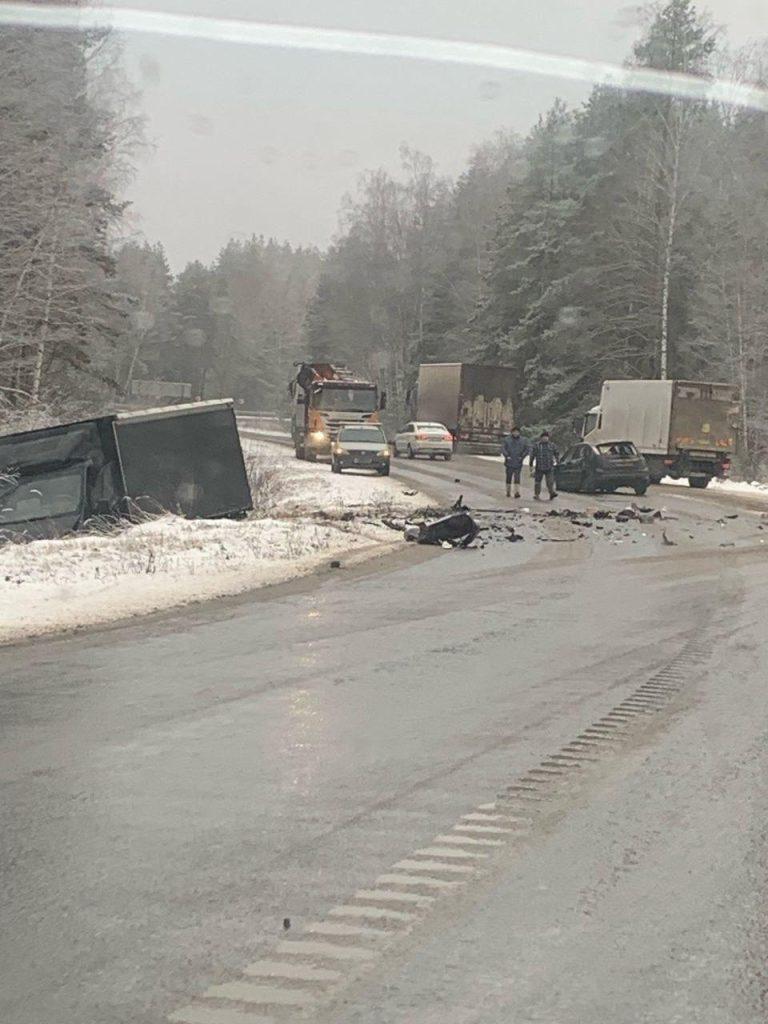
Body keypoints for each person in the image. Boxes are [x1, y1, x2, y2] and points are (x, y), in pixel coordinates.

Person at [530, 430, 559, 500]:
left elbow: (556, 453)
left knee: (550, 482)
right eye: (544, 437)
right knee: (537, 482)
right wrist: (531, 464)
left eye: (546, 437)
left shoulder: (552, 445)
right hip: (539, 467)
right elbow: (532, 455)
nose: (545, 438)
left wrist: (558, 461)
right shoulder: (537, 446)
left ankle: (552, 493)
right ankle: (537, 494)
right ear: (541, 438)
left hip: (549, 466)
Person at [501, 425, 529, 498]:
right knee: (509, 477)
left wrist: (522, 457)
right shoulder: (507, 440)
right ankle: (508, 491)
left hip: (518, 462)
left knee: (517, 477)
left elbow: (526, 449)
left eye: (517, 432)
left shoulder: (523, 440)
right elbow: (503, 448)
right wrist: (507, 456)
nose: (516, 433)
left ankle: (517, 492)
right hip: (509, 462)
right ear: (512, 432)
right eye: (514, 432)